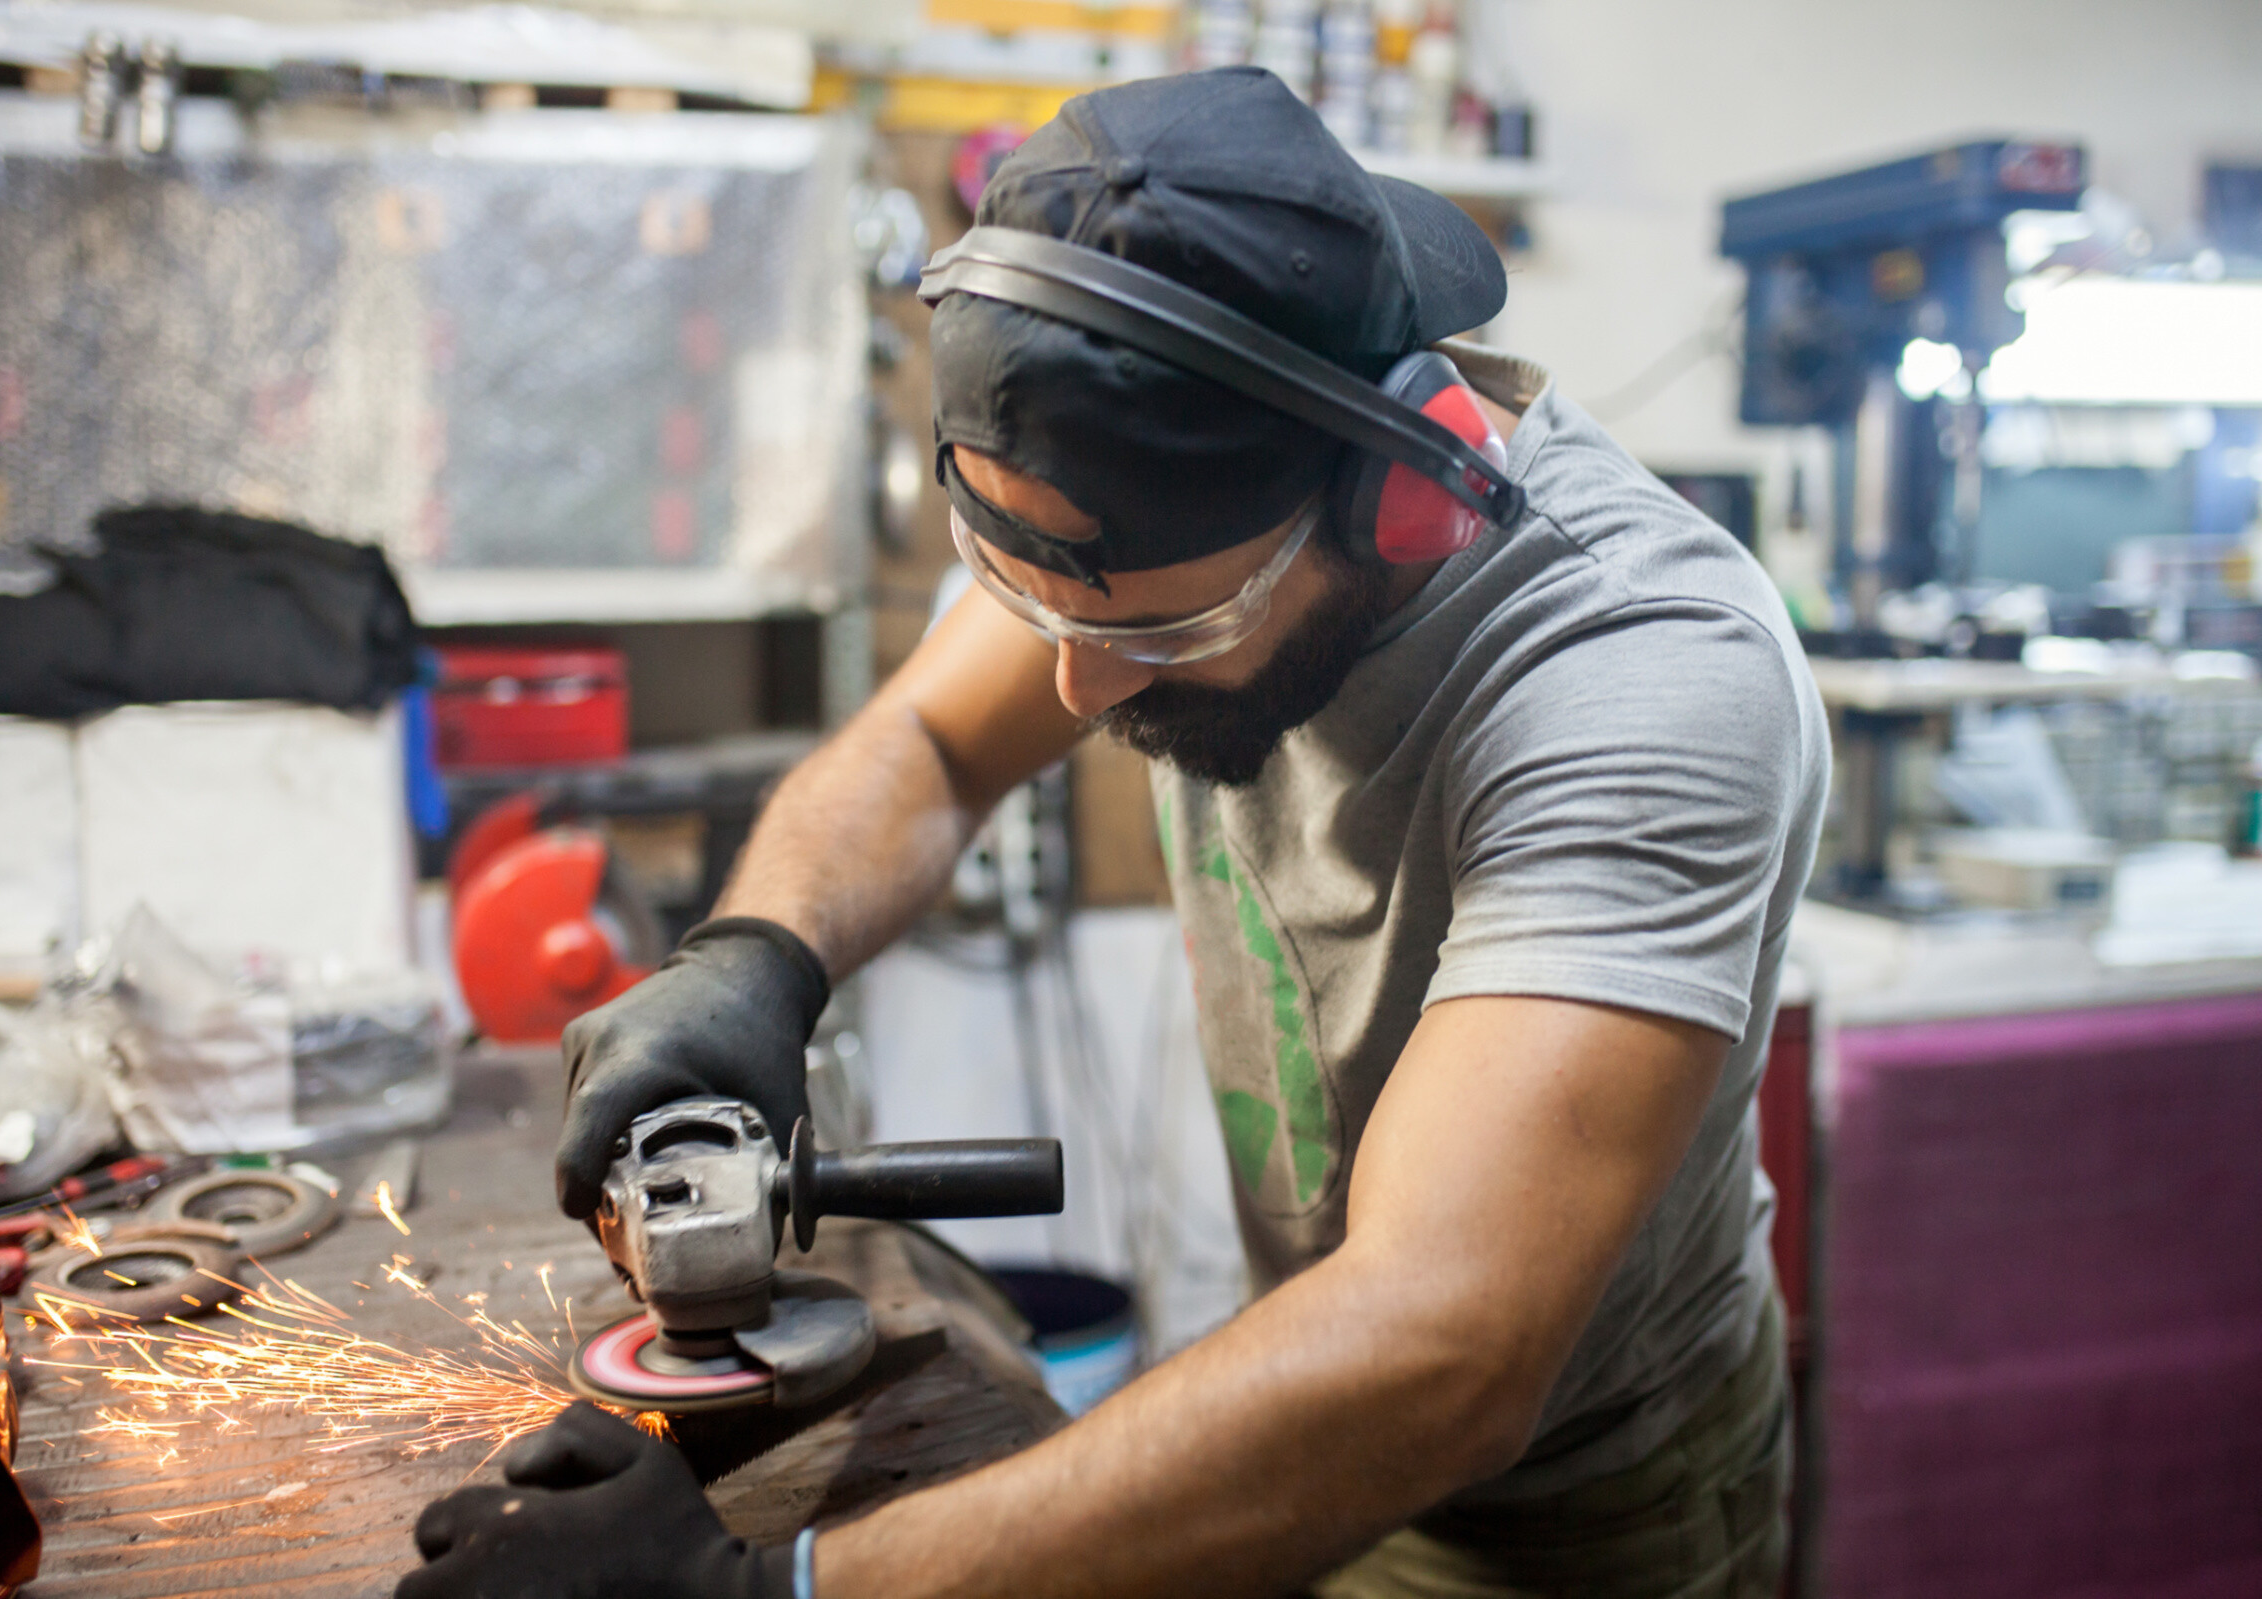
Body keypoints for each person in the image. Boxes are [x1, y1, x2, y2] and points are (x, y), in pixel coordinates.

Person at [399, 65, 1829, 1599]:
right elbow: (937, 745)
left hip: (1568, 1514)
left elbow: (1444, 1349)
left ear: (1402, 502)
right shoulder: (1142, 506)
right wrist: (757, 961)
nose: (1077, 683)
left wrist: (768, 1591)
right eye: (1032, 601)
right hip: (1322, 1393)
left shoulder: (1643, 681)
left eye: (1165, 631)